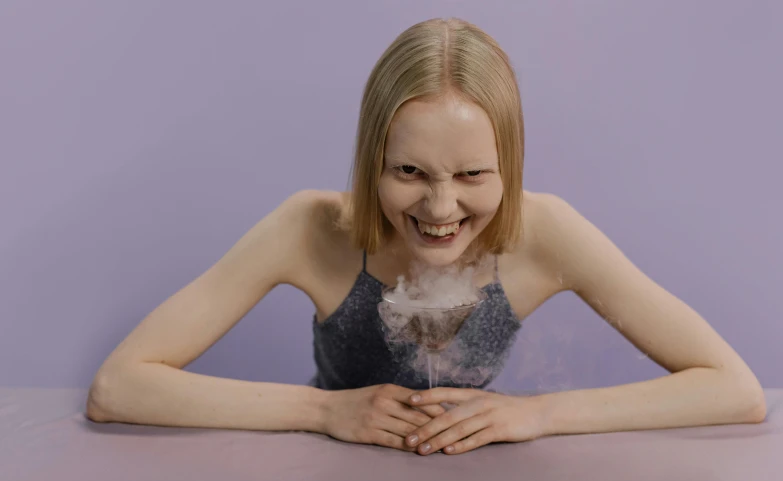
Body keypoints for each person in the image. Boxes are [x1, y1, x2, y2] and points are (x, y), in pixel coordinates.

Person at [85, 17, 766, 456]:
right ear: (370, 160)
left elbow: (733, 389)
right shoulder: (309, 226)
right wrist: (322, 412)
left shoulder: (546, 231)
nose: (440, 206)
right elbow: (119, 386)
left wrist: (536, 415)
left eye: (472, 174)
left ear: (510, 165)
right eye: (408, 171)